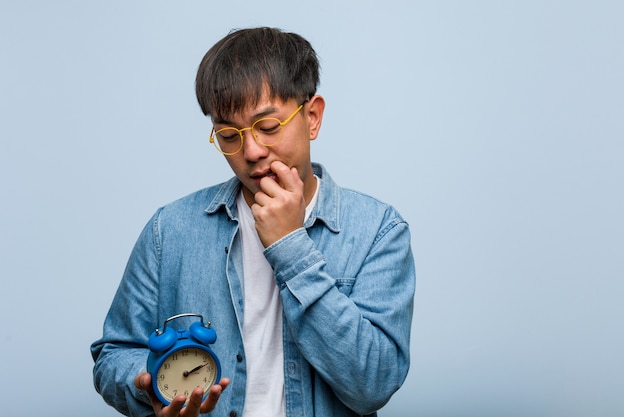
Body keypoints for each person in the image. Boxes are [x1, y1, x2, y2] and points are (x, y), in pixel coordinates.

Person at [91, 27, 415, 417]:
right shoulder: (170, 230)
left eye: (267, 127)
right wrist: (149, 387)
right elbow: (114, 355)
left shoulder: (378, 231)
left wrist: (291, 246)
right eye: (229, 134)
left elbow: (374, 384)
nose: (252, 151)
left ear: (312, 117)